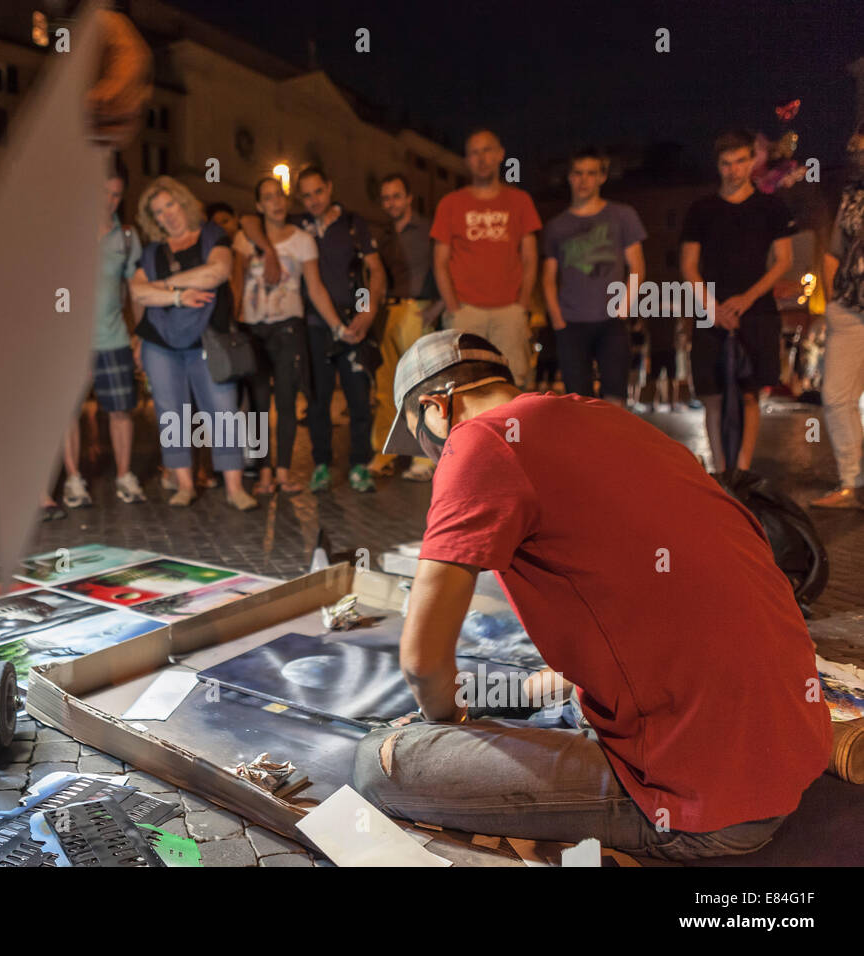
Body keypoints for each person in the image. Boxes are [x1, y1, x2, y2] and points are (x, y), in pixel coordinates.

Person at [352, 329, 832, 860]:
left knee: (381, 762)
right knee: (503, 692)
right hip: (787, 751)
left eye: (423, 440)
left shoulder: (480, 440)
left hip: (706, 801)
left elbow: (421, 662)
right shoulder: (605, 419)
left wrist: (447, 728)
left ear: (436, 407)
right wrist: (505, 699)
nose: (431, 457)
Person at [245, 165, 384, 493]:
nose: (313, 200)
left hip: (352, 318)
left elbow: (374, 270)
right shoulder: (296, 223)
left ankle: (359, 465)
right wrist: (266, 250)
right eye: (305, 195)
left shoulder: (352, 224)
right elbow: (249, 221)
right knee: (317, 399)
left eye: (318, 192)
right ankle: (321, 464)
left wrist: (368, 309)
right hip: (312, 324)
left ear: (330, 187)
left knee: (358, 396)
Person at [129, 176, 257, 510]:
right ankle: (184, 484)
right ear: (152, 220)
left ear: (183, 203)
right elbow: (138, 292)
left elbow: (216, 272)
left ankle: (234, 488)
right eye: (158, 212)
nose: (166, 215)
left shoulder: (212, 236)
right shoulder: (152, 251)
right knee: (171, 414)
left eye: (169, 205)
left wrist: (165, 288)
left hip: (208, 339)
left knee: (224, 411)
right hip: (159, 343)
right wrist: (179, 296)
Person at [681, 129, 795, 473]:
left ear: (752, 161)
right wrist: (711, 307)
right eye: (726, 163)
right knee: (712, 396)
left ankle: (742, 470)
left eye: (741, 161)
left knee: (750, 393)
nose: (734, 170)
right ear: (718, 166)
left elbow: (784, 260)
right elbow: (688, 266)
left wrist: (746, 298)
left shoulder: (771, 206)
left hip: (756, 310)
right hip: (710, 312)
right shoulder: (701, 209)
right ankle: (719, 470)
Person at [232, 177, 347, 493]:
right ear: (259, 205)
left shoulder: (302, 240)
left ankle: (282, 473)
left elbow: (315, 288)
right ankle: (263, 473)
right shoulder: (245, 238)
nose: (276, 202)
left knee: (285, 401)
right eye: (267, 198)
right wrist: (233, 322)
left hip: (288, 328)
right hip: (254, 330)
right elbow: (236, 283)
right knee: (257, 404)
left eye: (280, 195)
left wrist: (338, 326)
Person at [61, 154, 146, 508]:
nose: (109, 201)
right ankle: (73, 481)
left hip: (113, 338)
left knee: (121, 410)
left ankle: (124, 476)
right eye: (103, 192)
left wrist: (139, 333)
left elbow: (136, 291)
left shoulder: (126, 237)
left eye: (116, 195)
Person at [432, 129, 541, 388]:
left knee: (513, 382)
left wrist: (522, 304)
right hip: (466, 310)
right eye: (474, 152)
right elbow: (440, 261)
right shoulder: (451, 203)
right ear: (467, 160)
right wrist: (453, 307)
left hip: (509, 312)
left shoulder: (520, 201)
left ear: (500, 155)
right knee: (465, 383)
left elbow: (530, 257)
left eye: (487, 150)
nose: (481, 158)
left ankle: (511, 430)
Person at [541, 147, 646, 406]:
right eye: (578, 173)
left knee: (615, 398)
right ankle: (583, 448)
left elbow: (637, 267)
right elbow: (548, 277)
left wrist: (624, 309)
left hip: (612, 321)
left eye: (591, 173)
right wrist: (557, 320)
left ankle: (613, 448)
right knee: (577, 401)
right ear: (569, 177)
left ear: (602, 177)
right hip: (571, 324)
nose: (584, 180)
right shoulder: (556, 226)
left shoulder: (623, 215)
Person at [371, 173, 441, 481]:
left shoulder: (428, 230)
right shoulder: (381, 235)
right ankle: (385, 452)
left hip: (418, 309)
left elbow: (445, 266)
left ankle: (424, 458)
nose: (391, 203)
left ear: (409, 197)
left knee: (420, 387)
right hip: (389, 312)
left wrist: (438, 307)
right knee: (386, 387)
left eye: (396, 196)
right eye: (386, 198)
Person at [810, 124, 864, 509]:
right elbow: (833, 250)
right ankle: (852, 482)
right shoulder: (852, 195)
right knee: (835, 396)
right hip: (848, 306)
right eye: (855, 152)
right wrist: (830, 301)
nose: (857, 159)